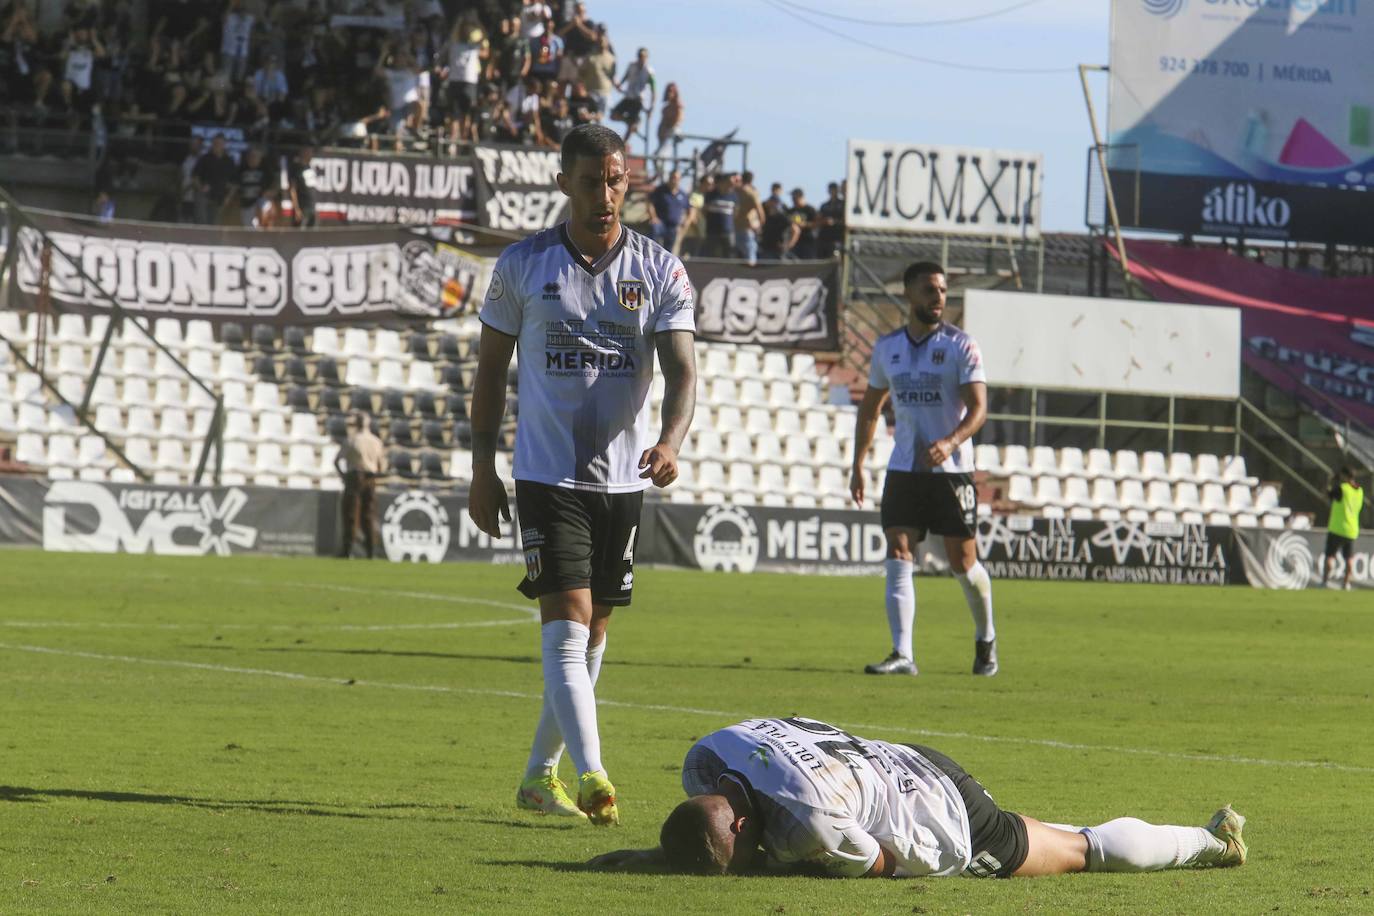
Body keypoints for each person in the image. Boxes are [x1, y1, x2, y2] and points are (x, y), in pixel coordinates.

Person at [468, 123, 698, 827]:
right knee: (567, 626)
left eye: (617, 179)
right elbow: (489, 373)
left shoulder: (660, 270)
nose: (606, 194)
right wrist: (483, 468)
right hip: (546, 474)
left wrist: (671, 438)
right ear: (564, 182)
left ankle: (540, 775)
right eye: (593, 181)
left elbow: (685, 370)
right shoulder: (522, 264)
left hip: (623, 482)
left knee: (595, 634)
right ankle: (596, 774)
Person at [586, 716, 1248, 878]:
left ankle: (1210, 842)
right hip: (901, 760)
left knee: (1080, 851)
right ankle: (1202, 835)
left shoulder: (810, 824)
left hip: (942, 812)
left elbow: (882, 862)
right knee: (1058, 829)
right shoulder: (714, 750)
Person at [850, 262, 997, 677]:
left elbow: (980, 408)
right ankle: (902, 653)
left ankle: (986, 638)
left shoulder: (961, 345)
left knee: (963, 564)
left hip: (952, 471)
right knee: (898, 551)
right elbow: (870, 409)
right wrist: (858, 464)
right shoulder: (887, 348)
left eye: (943, 290)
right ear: (909, 294)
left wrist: (950, 441)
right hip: (904, 469)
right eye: (930, 290)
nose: (939, 298)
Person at [334, 412, 385, 559]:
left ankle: (347, 550)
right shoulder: (376, 442)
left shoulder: (352, 440)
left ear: (356, 424)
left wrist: (343, 476)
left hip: (354, 477)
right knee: (368, 516)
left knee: (350, 515)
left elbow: (337, 461)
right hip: (371, 479)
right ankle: (370, 552)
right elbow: (381, 465)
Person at [1322, 465, 1364, 590]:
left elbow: (1326, 495)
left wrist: (1329, 481)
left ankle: (1325, 581)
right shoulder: (1360, 491)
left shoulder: (1342, 488)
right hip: (1352, 529)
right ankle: (1346, 583)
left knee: (1330, 556)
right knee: (1349, 558)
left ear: (1344, 476)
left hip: (1337, 527)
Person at [647, 169, 690, 254]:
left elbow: (690, 209)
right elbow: (650, 203)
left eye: (677, 178)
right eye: (673, 177)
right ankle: (649, 253)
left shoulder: (683, 194)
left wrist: (686, 222)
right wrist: (653, 217)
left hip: (673, 227)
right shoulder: (660, 190)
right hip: (661, 223)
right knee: (654, 229)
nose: (674, 180)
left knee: (669, 252)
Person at [732, 171, 764, 265]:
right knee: (749, 254)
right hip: (745, 227)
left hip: (740, 226)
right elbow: (760, 211)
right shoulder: (750, 193)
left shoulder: (739, 191)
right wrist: (760, 225)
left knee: (744, 253)